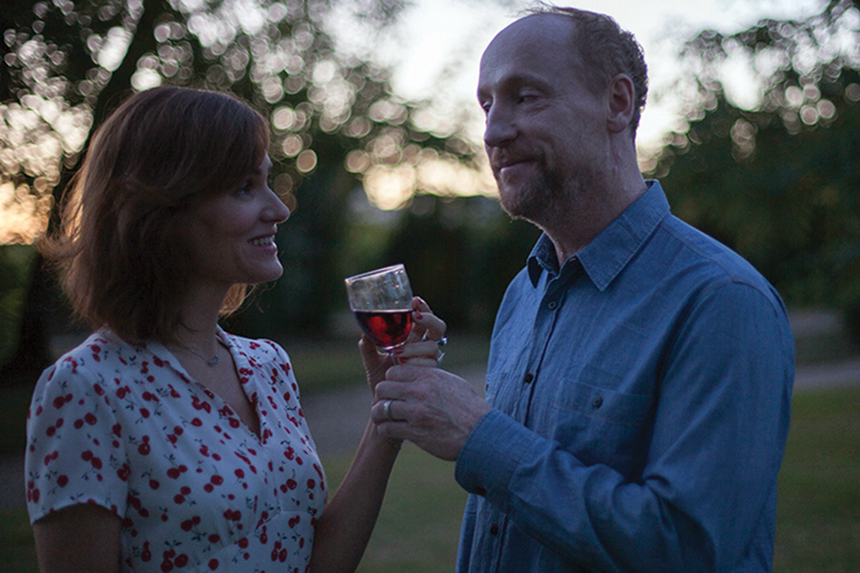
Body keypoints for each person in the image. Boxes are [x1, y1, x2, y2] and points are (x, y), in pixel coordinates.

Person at [370, 6, 794, 572]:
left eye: (527, 96)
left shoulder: (722, 301)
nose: (494, 132)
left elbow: (690, 550)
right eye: (488, 104)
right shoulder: (523, 294)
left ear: (617, 103)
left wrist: (477, 436)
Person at [24, 86, 445, 572]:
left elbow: (312, 561)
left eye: (269, 182)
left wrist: (386, 418)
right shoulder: (86, 389)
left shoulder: (268, 366)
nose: (279, 209)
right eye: (245, 187)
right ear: (159, 209)